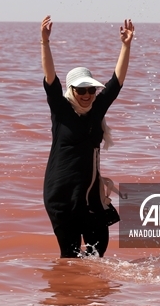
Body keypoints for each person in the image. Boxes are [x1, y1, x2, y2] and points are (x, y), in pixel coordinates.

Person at [41, 15, 134, 258]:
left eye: (91, 89)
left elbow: (116, 82)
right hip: (62, 195)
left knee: (97, 252)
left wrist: (126, 45)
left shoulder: (96, 111)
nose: (87, 95)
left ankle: (88, 285)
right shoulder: (61, 111)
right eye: (81, 90)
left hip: (90, 195)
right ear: (71, 90)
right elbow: (50, 80)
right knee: (70, 256)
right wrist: (45, 43)